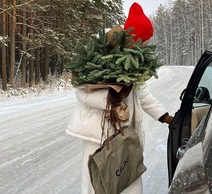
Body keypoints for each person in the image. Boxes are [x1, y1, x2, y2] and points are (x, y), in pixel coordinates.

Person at [66, 2, 173, 194]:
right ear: (135, 39)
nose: (147, 44)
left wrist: (164, 116)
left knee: (129, 180)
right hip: (97, 135)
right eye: (145, 40)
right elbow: (80, 90)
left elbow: (143, 94)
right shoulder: (100, 54)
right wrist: (108, 101)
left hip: (124, 133)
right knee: (97, 184)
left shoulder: (134, 62)